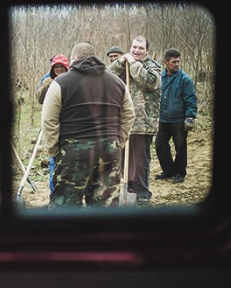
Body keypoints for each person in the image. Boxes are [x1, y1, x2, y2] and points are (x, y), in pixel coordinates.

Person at [42, 42, 135, 208]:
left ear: (73, 59)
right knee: (105, 206)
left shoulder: (60, 83)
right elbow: (129, 114)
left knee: (66, 207)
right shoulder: (117, 82)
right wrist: (119, 141)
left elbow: (49, 121)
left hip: (73, 153)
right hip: (109, 151)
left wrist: (54, 151)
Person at [107, 35, 161, 205]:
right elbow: (108, 75)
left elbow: (150, 83)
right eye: (134, 47)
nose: (136, 50)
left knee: (140, 160)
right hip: (123, 121)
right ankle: (128, 188)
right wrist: (121, 62)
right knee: (123, 159)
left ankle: (143, 191)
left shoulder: (153, 66)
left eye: (140, 48)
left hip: (143, 122)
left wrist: (134, 64)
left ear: (147, 50)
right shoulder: (124, 64)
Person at [155, 48, 198, 184]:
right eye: (174, 62)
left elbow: (191, 100)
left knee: (180, 147)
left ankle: (180, 172)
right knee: (160, 145)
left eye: (178, 62)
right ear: (166, 62)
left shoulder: (185, 79)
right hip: (163, 119)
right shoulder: (160, 77)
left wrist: (190, 117)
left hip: (179, 120)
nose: (177, 64)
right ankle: (168, 171)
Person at [34, 54, 70, 196]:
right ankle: (53, 196)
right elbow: (39, 99)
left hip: (68, 127)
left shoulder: (72, 80)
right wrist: (48, 83)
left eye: (62, 67)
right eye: (57, 67)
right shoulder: (47, 79)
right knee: (54, 162)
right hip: (53, 126)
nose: (59, 69)